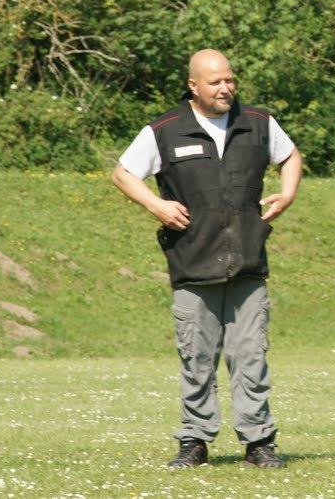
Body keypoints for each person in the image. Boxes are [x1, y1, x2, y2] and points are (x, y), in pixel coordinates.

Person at [111, 49, 302, 469]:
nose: (226, 88)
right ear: (193, 86)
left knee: (250, 356)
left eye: (230, 80)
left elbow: (290, 156)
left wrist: (287, 193)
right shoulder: (164, 130)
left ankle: (259, 443)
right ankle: (194, 442)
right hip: (193, 263)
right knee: (197, 358)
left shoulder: (257, 124)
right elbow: (123, 173)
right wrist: (156, 206)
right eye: (215, 82)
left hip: (247, 262)